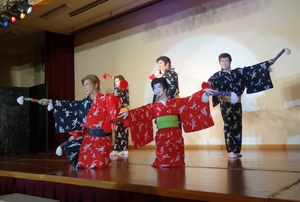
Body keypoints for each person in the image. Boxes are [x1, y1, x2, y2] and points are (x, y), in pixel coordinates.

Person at [119, 77, 216, 167]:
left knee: (177, 156)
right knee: (163, 156)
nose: (157, 89)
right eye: (154, 88)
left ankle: (177, 162)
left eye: (159, 86)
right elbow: (142, 111)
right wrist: (129, 114)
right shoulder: (153, 106)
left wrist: (203, 93)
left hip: (175, 134)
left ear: (165, 88)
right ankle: (163, 162)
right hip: (162, 135)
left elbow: (189, 100)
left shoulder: (175, 102)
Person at [42, 74, 121, 169]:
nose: (85, 87)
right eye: (84, 85)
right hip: (89, 137)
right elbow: (69, 105)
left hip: (102, 139)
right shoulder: (84, 103)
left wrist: (117, 93)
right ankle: (79, 170)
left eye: (87, 84)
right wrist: (52, 102)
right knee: (70, 148)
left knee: (98, 166)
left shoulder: (106, 99)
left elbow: (115, 102)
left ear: (96, 85)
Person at [207, 53, 275, 158]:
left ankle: (236, 150)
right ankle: (230, 150)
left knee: (238, 126)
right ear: (219, 63)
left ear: (230, 61)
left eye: (226, 60)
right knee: (229, 126)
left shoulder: (237, 72)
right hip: (226, 104)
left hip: (237, 103)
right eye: (222, 61)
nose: (224, 63)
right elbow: (209, 84)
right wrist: (207, 86)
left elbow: (250, 70)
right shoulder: (217, 76)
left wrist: (266, 64)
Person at [110, 75, 130, 156]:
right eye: (115, 82)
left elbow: (115, 98)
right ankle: (124, 149)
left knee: (119, 130)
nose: (116, 83)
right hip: (123, 111)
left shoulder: (121, 90)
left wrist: (113, 95)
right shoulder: (124, 90)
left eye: (117, 81)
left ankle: (116, 149)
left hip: (122, 112)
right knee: (123, 131)